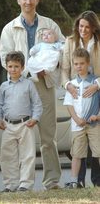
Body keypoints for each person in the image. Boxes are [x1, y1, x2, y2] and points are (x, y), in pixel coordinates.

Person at [0, 0, 65, 190]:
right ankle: (20, 184)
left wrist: (49, 69)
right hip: (20, 87)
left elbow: (62, 50)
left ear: (37, 0)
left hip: (44, 85)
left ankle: (52, 181)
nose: (28, 2)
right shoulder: (9, 28)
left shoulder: (49, 24)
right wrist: (28, 73)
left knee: (48, 137)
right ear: (18, 1)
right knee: (18, 138)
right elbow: (5, 59)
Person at [61, 10, 100, 187]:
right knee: (79, 141)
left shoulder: (98, 43)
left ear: (93, 28)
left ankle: (97, 181)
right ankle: (79, 181)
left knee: (97, 140)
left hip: (97, 91)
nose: (83, 29)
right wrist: (67, 85)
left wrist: (97, 85)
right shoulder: (69, 42)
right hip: (77, 92)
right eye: (81, 26)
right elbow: (63, 69)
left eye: (87, 27)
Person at [0, 51, 42, 191]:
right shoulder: (4, 86)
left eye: (16, 66)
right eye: (10, 66)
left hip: (25, 124)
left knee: (27, 155)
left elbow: (37, 103)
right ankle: (11, 185)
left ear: (22, 67)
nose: (13, 69)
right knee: (7, 156)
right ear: (6, 67)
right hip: (8, 125)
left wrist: (35, 118)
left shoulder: (28, 84)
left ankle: (25, 184)